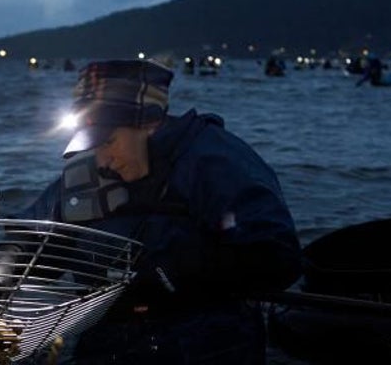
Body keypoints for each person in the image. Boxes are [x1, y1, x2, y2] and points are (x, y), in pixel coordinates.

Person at [16, 59, 302, 364]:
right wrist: (11, 260)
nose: (101, 160)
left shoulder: (214, 161)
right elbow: (39, 235)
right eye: (90, 144)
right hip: (107, 346)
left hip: (206, 346)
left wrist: (175, 274)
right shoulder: (82, 177)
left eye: (108, 141)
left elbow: (278, 257)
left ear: (149, 125)